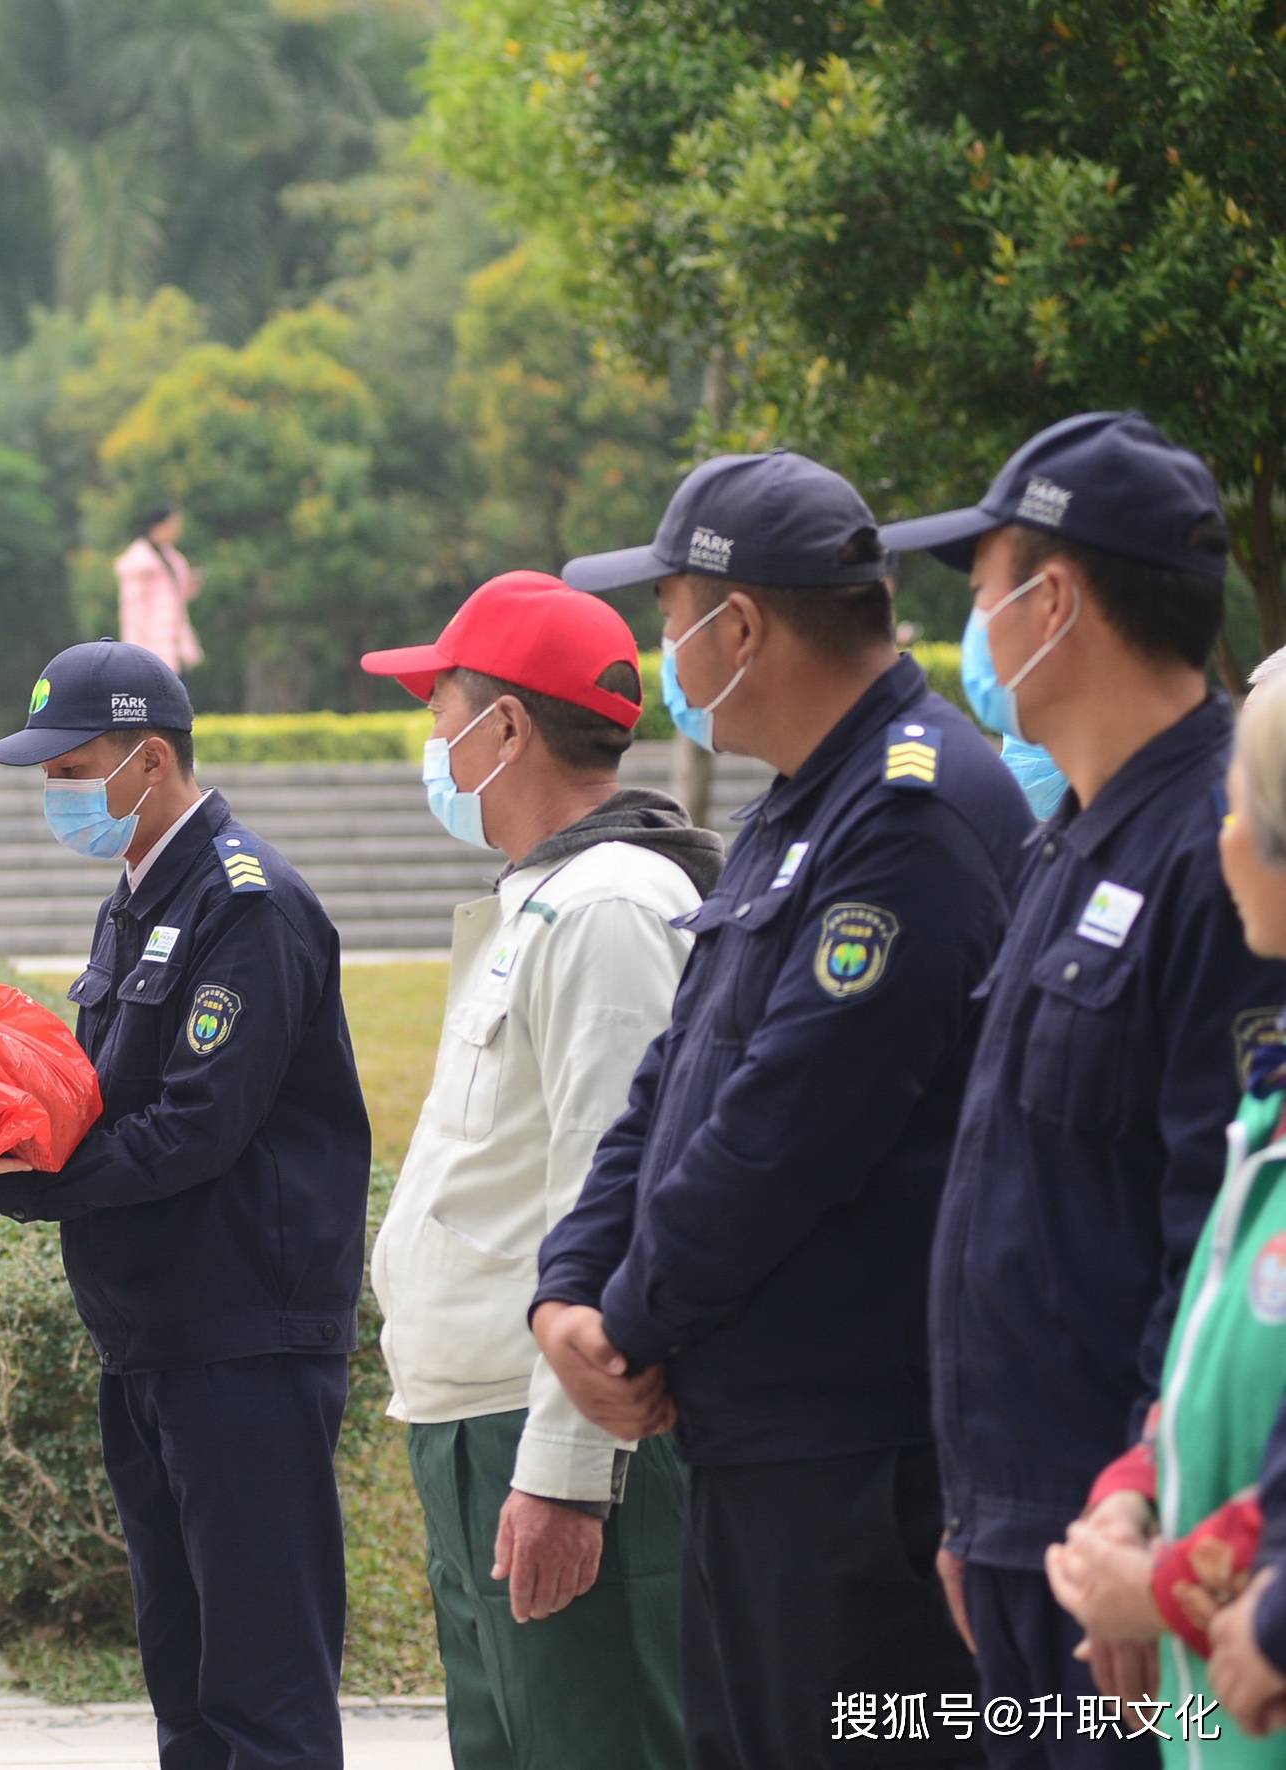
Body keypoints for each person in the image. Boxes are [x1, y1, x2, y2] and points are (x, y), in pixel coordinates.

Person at [537, 449, 1032, 1768]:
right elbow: (674, 1072)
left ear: (735, 623)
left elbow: (788, 1123)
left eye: (666, 613)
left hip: (857, 1456)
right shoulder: (797, 805)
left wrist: (627, 1324)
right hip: (757, 1436)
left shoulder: (909, 808)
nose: (663, 651)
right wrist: (567, 1288)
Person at [881, 411, 1286, 1768]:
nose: (974, 630)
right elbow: (1009, 1192)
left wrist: (1142, 1529)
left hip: (1130, 1555)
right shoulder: (1064, 840)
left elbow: (1214, 1235)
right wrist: (974, 1512)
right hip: (1026, 1534)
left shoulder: (1216, 857)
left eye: (983, 588)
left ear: (1053, 600)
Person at [0, 639, 370, 1770]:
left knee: (262, 1691)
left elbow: (196, 1127)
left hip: (243, 1346)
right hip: (153, 1339)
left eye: (68, 771)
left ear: (149, 760)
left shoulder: (250, 906)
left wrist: (23, 1185)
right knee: (188, 1684)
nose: (55, 796)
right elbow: (95, 1101)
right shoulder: (136, 898)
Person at [360, 571, 720, 1770]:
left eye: (439, 705)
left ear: (504, 726)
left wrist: (568, 1476)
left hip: (541, 1431)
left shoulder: (611, 908)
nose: (430, 738)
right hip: (475, 1422)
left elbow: (605, 1205)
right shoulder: (555, 898)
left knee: (594, 1742)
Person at [1038, 668, 1286, 1760]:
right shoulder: (1265, 1111)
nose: (1219, 838)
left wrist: (1171, 1589)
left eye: (1237, 809)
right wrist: (1131, 1492)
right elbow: (1208, 1363)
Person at [117, 503, 204, 676]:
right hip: (149, 642)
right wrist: (136, 649)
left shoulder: (171, 557)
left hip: (174, 640)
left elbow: (176, 597)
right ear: (158, 526)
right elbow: (134, 610)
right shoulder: (138, 562)